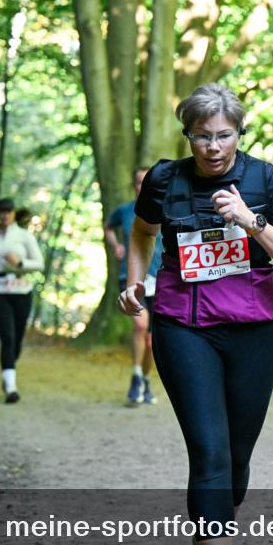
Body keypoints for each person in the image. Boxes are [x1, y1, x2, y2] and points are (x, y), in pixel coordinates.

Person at [118, 83, 273, 545]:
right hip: (183, 327)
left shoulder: (264, 180)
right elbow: (142, 231)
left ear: (238, 134)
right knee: (209, 451)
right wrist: (135, 280)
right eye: (202, 136)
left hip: (253, 332)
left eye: (224, 135)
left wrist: (251, 220)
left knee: (236, 459)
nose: (213, 147)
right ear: (188, 136)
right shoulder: (165, 179)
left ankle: (212, 537)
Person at [0, 198, 44, 404]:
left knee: (17, 339)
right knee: (8, 336)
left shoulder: (25, 236)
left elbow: (39, 263)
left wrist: (21, 263)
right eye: (2, 211)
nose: (5, 215)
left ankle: (8, 372)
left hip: (21, 290)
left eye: (8, 211)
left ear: (14, 213)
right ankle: (11, 387)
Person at [105, 166, 164, 406]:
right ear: (134, 186)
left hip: (161, 280)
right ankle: (136, 377)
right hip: (131, 277)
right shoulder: (125, 211)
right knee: (140, 325)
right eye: (139, 182)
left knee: (152, 341)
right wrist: (116, 246)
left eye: (147, 181)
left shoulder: (167, 208)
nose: (143, 186)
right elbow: (108, 227)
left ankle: (146, 380)